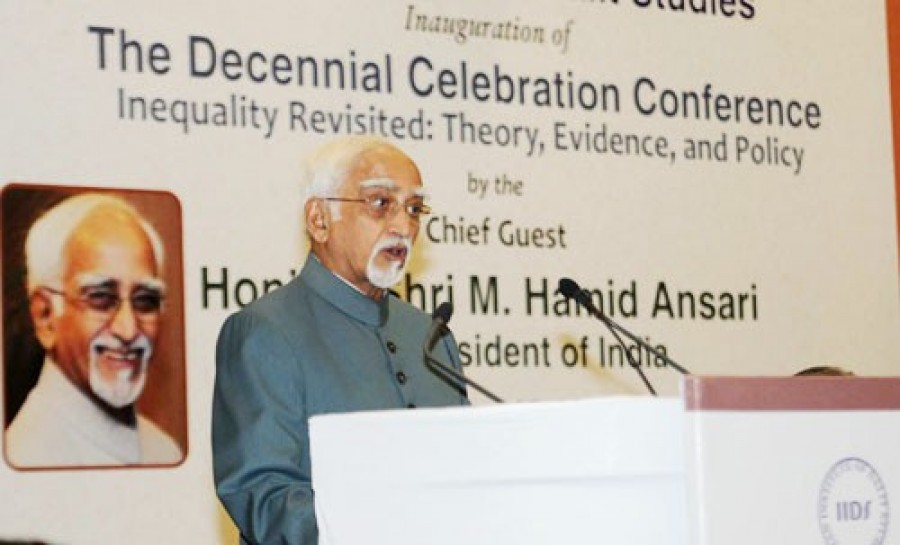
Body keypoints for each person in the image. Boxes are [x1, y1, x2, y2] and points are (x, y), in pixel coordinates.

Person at [212, 136, 468, 544]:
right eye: (381, 203)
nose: (404, 227)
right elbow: (262, 493)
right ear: (319, 220)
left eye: (414, 209)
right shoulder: (264, 332)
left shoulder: (431, 336)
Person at [5, 193, 182, 467]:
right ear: (46, 316)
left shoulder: (163, 450)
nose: (128, 330)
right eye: (101, 298)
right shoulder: (28, 458)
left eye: (145, 300)